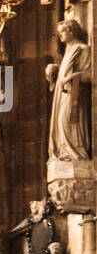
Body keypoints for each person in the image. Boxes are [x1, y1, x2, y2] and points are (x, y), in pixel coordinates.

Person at [46, 17, 92, 161]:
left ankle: (76, 154)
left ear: (71, 31)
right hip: (63, 95)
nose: (60, 36)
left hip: (75, 95)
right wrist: (55, 72)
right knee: (60, 123)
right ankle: (65, 152)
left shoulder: (83, 49)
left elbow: (90, 74)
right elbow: (65, 74)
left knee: (67, 121)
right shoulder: (68, 52)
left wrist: (71, 77)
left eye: (62, 32)